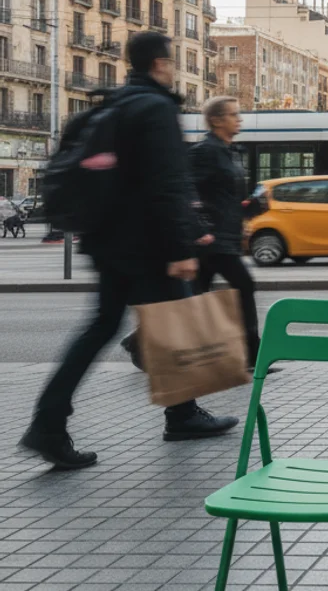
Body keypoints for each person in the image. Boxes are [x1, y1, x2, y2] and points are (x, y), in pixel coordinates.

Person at [19, 32, 238, 470]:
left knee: (102, 326)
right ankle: (181, 415)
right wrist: (181, 246)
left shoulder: (115, 104)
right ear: (160, 63)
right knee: (170, 322)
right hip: (147, 244)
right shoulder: (155, 107)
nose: (173, 69)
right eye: (172, 62)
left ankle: (49, 423)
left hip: (108, 240)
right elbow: (168, 183)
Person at [190, 96, 265, 374]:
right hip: (211, 240)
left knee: (195, 296)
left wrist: (248, 210)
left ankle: (142, 343)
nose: (239, 119)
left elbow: (228, 196)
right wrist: (202, 228)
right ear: (217, 120)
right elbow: (189, 191)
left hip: (225, 237)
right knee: (244, 286)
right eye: (234, 115)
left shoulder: (229, 151)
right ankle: (252, 356)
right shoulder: (204, 152)